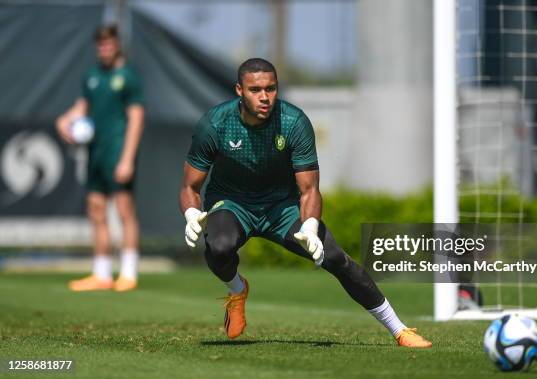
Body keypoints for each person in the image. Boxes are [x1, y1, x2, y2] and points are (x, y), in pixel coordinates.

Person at [179, 58, 431, 348]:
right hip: (232, 203)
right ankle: (237, 291)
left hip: (282, 207)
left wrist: (310, 227)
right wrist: (190, 213)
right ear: (239, 90)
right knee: (218, 247)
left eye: (271, 89)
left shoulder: (293, 122)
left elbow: (310, 189)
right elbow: (190, 185)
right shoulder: (215, 124)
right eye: (255, 89)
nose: (264, 97)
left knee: (336, 258)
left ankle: (400, 330)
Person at [56, 25, 145, 292]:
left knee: (124, 209)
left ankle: (128, 272)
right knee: (96, 209)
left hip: (118, 151)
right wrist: (64, 120)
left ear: (117, 44)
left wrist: (127, 159)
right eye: (100, 45)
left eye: (108, 44)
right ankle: (102, 273)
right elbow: (82, 107)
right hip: (95, 153)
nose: (104, 48)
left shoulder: (128, 77)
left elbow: (137, 118)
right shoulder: (92, 75)